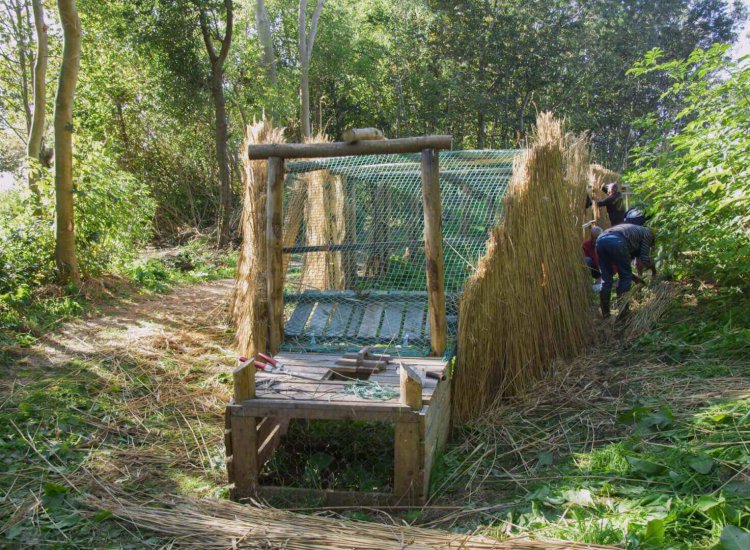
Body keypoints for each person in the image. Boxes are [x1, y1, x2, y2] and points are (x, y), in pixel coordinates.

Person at [595, 223, 655, 318]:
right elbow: (645, 259)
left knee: (606, 279)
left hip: (601, 240)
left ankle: (605, 313)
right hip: (616, 240)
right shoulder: (648, 234)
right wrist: (654, 270)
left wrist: (635, 278)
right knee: (625, 278)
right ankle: (623, 312)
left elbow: (622, 265)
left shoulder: (634, 233)